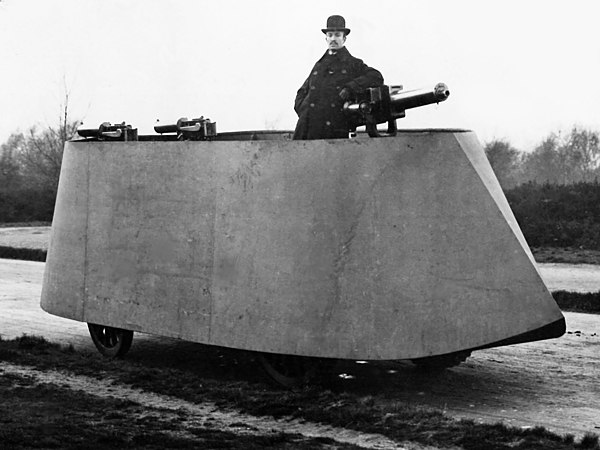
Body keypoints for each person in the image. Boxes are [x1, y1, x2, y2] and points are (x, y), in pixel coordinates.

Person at [293, 15, 384, 140]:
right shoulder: (319, 65)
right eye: (330, 35)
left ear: (344, 38)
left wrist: (350, 87)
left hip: (333, 130)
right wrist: (303, 108)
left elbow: (376, 77)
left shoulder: (353, 63)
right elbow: (303, 90)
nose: (333, 39)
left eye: (337, 35)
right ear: (326, 38)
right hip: (306, 128)